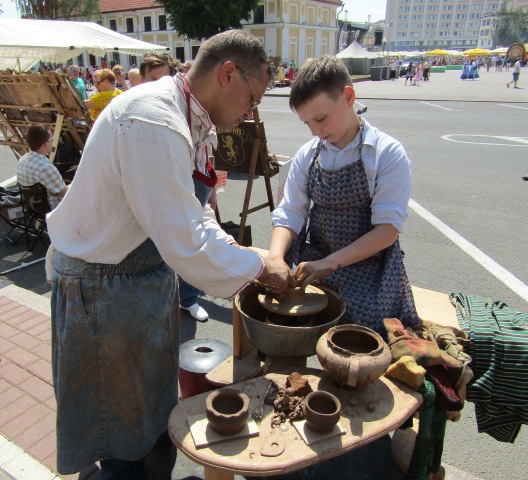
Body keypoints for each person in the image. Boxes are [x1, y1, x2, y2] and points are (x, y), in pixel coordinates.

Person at [46, 29, 291, 479]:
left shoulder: (190, 118)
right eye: (252, 98)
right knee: (123, 437)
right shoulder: (153, 120)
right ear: (228, 74)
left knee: (152, 420)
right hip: (104, 290)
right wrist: (259, 265)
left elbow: (194, 213)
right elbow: (185, 240)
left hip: (136, 282)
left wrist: (235, 248)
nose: (249, 113)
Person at [268, 55, 419, 336]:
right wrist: (275, 257)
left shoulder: (387, 153)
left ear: (349, 97)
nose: (315, 131)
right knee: (276, 308)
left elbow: (387, 230)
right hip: (315, 257)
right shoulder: (308, 154)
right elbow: (291, 211)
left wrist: (330, 264)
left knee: (364, 326)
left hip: (369, 266)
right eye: (307, 123)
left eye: (320, 119)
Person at [17, 125, 68, 210]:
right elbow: (65, 194)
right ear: (45, 144)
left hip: (34, 209)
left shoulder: (23, 160)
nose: (53, 141)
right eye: (52, 139)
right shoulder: (45, 168)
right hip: (54, 210)